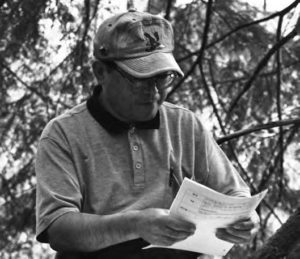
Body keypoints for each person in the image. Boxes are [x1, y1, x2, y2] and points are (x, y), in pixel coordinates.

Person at [35, 10, 259, 259]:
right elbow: (58, 229)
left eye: (162, 77)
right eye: (138, 78)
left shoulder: (185, 124)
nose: (153, 91)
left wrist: (245, 219)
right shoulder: (63, 134)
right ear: (101, 72)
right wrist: (135, 225)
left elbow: (235, 193)